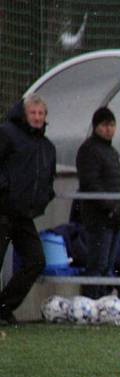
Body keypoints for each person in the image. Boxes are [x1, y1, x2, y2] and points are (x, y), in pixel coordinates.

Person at [0, 94, 56, 325]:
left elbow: (47, 176)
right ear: (24, 114)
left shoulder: (46, 146)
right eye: (33, 113)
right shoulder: (7, 133)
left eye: (41, 113)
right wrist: (4, 189)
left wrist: (45, 196)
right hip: (3, 210)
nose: (37, 117)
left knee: (36, 260)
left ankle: (4, 307)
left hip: (23, 214)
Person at [75, 106, 120, 300]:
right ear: (96, 127)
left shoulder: (112, 151)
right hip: (98, 217)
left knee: (108, 265)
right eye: (104, 125)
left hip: (114, 217)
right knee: (97, 263)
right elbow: (90, 183)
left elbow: (119, 182)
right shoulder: (89, 150)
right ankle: (91, 302)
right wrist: (110, 206)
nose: (108, 129)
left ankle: (101, 304)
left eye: (112, 125)